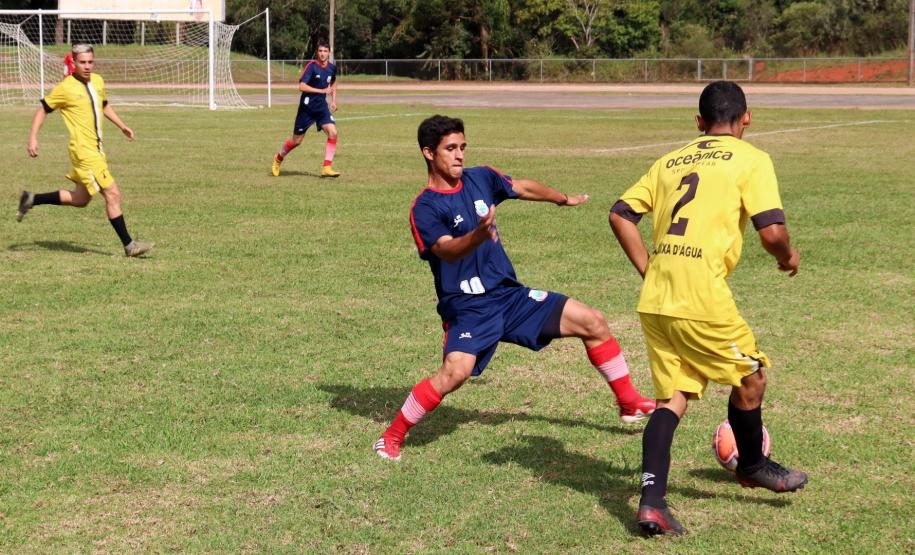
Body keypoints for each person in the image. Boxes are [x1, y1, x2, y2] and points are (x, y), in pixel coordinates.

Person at [373, 115, 656, 462]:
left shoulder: (481, 178)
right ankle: (391, 436)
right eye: (450, 149)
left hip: (510, 297)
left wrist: (560, 198)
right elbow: (445, 250)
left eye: (462, 147)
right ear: (429, 153)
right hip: (468, 307)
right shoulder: (425, 207)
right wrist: (478, 235)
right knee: (454, 373)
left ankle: (628, 403)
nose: (459, 155)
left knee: (592, 322)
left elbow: (521, 187)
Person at [608, 81, 808, 537]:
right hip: (701, 297)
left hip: (657, 298)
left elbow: (620, 213)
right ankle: (753, 465)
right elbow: (772, 233)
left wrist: (650, 269)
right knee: (752, 375)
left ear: (698, 123)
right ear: (747, 118)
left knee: (671, 399)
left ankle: (652, 503)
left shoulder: (668, 160)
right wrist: (787, 257)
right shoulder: (751, 158)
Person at [17, 44, 154, 258]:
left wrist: (122, 125)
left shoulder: (98, 81)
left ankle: (31, 199)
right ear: (73, 63)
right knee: (113, 193)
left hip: (97, 150)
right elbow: (43, 109)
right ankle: (129, 245)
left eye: (90, 61)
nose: (87, 66)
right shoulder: (65, 88)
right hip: (84, 152)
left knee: (81, 199)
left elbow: (103, 104)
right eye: (82, 62)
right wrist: (33, 137)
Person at [271, 40, 340, 178]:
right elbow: (301, 86)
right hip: (306, 109)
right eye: (320, 51)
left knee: (333, 132)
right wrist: (321, 91)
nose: (322, 54)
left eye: (325, 51)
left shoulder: (332, 68)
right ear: (317, 52)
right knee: (296, 141)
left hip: (321, 108)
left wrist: (333, 100)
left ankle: (326, 167)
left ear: (329, 53)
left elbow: (333, 83)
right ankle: (278, 158)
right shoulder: (312, 66)